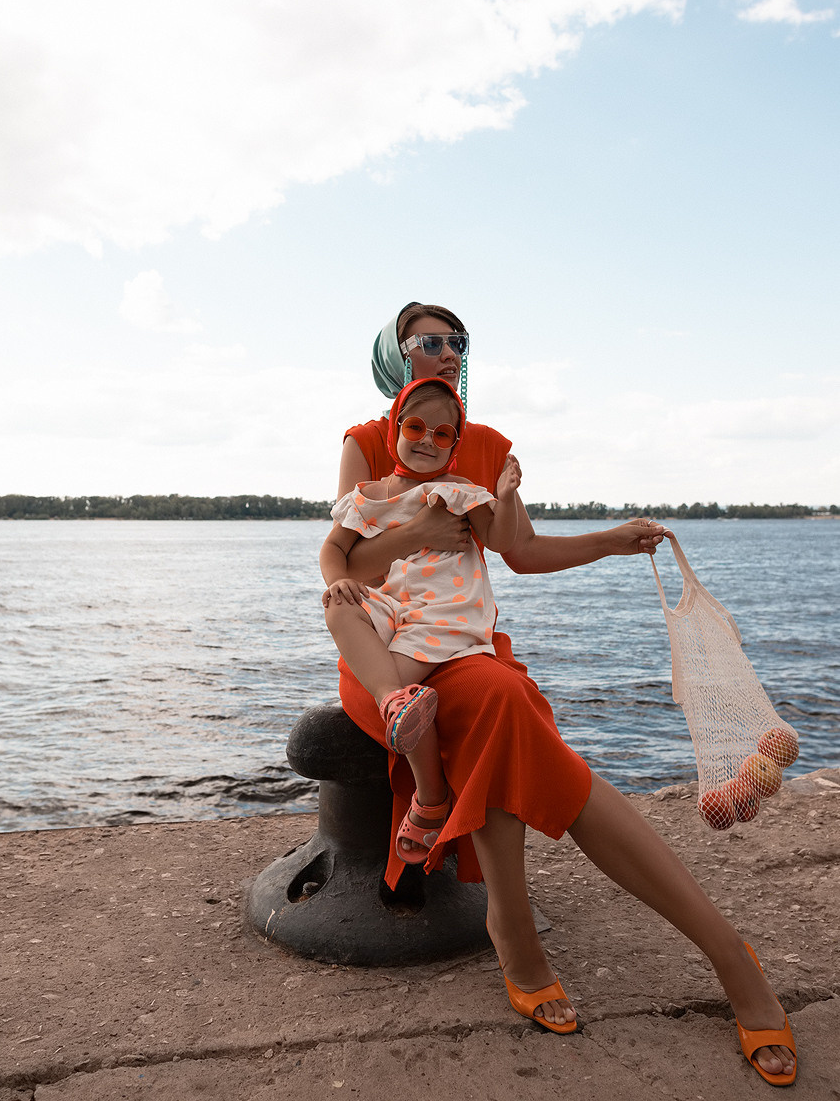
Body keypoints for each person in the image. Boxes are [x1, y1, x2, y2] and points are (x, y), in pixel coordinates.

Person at [330, 301, 797, 1084]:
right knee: (509, 723)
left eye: (457, 343)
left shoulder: (485, 446)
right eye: (428, 343)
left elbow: (520, 551)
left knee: (500, 706)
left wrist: (614, 540)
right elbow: (346, 565)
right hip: (385, 654)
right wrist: (418, 534)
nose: (446, 353)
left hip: (465, 646)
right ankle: (718, 951)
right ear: (396, 356)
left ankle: (526, 928)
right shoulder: (367, 442)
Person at [321, 376, 522, 865]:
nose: (427, 441)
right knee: (340, 607)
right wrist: (336, 581)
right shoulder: (370, 497)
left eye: (443, 434)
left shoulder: (459, 492)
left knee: (405, 691)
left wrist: (508, 495)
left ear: (454, 445)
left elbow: (502, 540)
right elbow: (334, 549)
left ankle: (431, 797)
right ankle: (395, 701)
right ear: (395, 430)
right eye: (416, 427)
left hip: (445, 614)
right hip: (394, 607)